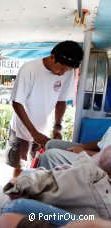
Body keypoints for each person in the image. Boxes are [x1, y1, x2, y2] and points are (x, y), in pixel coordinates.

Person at [6, 40, 84, 177]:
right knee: (20, 168)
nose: (62, 73)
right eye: (62, 68)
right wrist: (33, 133)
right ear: (52, 57)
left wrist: (57, 126)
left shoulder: (67, 73)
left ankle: (30, 196)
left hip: (43, 131)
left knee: (38, 168)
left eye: (67, 70)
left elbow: (61, 100)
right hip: (22, 129)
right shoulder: (29, 69)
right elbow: (17, 103)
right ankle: (15, 196)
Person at [38, 126, 111, 171]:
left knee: (49, 156)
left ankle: (46, 190)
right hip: (99, 153)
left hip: (102, 165)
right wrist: (84, 146)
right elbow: (104, 141)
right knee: (51, 144)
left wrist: (86, 153)